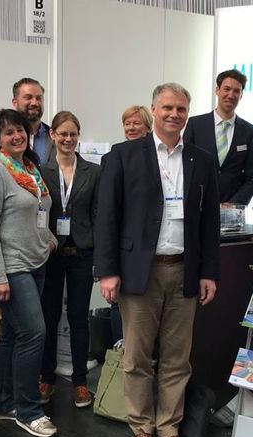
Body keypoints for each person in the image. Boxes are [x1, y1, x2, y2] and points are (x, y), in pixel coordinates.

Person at [94, 83, 220, 437]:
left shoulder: (200, 159)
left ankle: (168, 429)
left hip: (184, 271)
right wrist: (107, 271)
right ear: (154, 110)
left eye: (181, 109)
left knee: (177, 359)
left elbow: (209, 222)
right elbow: (107, 218)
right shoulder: (123, 156)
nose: (174, 114)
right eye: (167, 107)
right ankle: (141, 430)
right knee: (136, 357)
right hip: (139, 272)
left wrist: (208, 272)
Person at [0, 109, 58, 437]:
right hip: (9, 268)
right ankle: (29, 411)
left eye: (20, 130)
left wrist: (49, 239)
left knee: (12, 335)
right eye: (8, 132)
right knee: (34, 334)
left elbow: (39, 211)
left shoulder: (30, 169)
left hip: (35, 262)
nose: (17, 136)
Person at [39, 111, 100, 407]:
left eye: (73, 134)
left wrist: (99, 257)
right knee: (48, 317)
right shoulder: (41, 170)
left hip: (81, 253)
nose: (68, 139)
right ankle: (46, 378)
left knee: (78, 318)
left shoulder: (93, 171)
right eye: (62, 133)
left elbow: (98, 215)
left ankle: (80, 382)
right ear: (52, 135)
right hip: (50, 253)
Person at [108, 105, 154, 344]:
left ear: (148, 127)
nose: (131, 127)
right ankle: (119, 352)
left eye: (137, 123)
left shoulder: (158, 161)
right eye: (127, 123)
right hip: (123, 247)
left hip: (148, 248)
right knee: (119, 306)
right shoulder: (114, 157)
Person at [183, 69, 253, 205]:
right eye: (227, 89)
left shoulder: (249, 131)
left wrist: (235, 203)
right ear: (217, 90)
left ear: (241, 95)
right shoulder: (195, 125)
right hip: (197, 205)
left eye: (236, 91)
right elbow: (184, 165)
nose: (231, 95)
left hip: (232, 210)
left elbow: (252, 176)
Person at [12, 77, 52, 165]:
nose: (34, 103)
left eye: (39, 98)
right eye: (28, 97)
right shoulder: (4, 138)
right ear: (15, 102)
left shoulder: (54, 137)